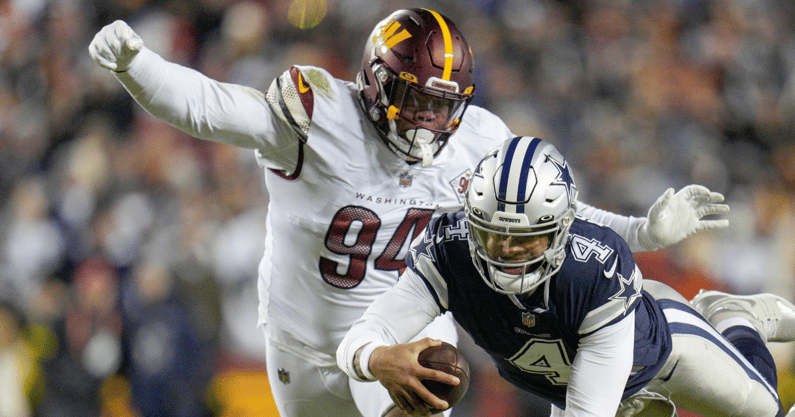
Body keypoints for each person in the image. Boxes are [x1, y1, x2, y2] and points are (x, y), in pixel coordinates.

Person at [89, 9, 729, 417]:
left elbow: (550, 211)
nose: (427, 118)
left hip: (408, 329)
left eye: (439, 105)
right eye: (412, 97)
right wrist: (137, 67)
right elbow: (209, 107)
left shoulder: (479, 139)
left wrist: (641, 231)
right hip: (302, 345)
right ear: (374, 81)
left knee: (428, 391)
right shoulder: (320, 117)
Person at [337, 136, 795, 417]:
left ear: (560, 230)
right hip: (572, 382)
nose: (506, 253)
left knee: (766, 409)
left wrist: (641, 233)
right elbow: (360, 335)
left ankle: (735, 315)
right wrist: (375, 359)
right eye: (493, 235)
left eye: (526, 239)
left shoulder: (591, 270)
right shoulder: (448, 252)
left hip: (658, 351)